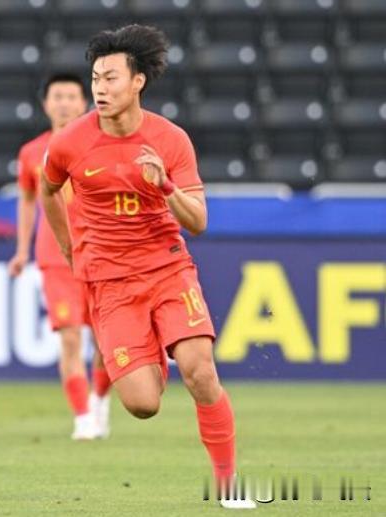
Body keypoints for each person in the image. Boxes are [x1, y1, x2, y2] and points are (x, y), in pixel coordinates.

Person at [40, 25, 255, 509]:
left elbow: (198, 221)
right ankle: (155, 347)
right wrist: (70, 247)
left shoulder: (170, 140)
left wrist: (165, 188)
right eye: (96, 78)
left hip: (167, 270)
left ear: (137, 82)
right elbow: (47, 188)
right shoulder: (72, 143)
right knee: (142, 404)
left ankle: (227, 483)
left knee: (200, 371)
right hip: (110, 282)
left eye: (111, 78)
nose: (100, 88)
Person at [7, 72, 112, 440]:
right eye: (57, 96)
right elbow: (27, 202)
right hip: (55, 258)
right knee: (69, 338)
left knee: (106, 341)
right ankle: (83, 417)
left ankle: (100, 398)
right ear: (46, 104)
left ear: (84, 103)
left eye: (71, 96)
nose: (64, 103)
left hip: (100, 255)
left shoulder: (101, 146)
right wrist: (21, 250)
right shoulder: (31, 153)